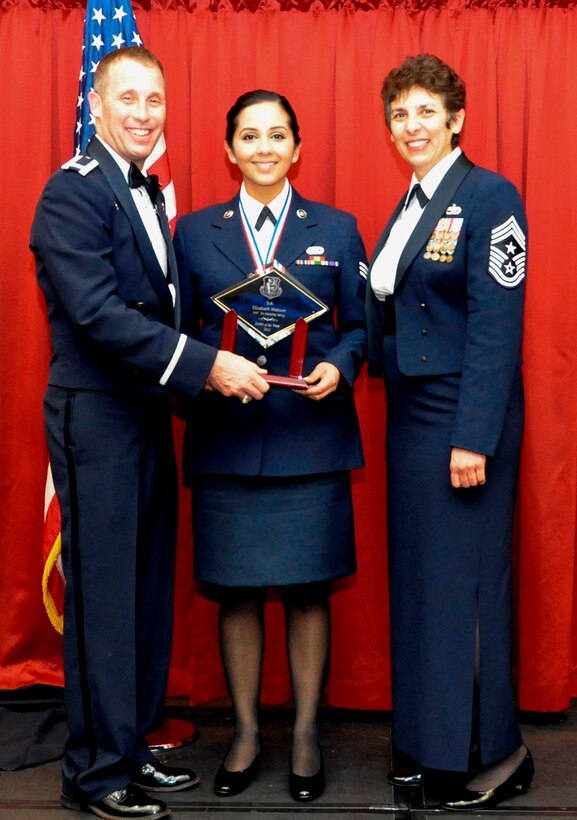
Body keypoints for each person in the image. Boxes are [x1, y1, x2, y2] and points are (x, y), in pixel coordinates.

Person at [30, 47, 269, 820]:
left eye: (155, 99)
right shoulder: (70, 194)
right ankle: (94, 774)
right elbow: (97, 315)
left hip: (142, 414)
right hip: (95, 415)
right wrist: (207, 367)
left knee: (142, 592)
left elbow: (160, 311)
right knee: (104, 598)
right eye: (127, 98)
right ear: (96, 106)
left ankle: (128, 753)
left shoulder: (145, 190)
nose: (142, 112)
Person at [174, 89, 367, 803]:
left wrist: (340, 366)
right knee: (237, 593)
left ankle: (308, 734)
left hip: (309, 438)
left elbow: (361, 327)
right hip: (227, 439)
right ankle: (249, 732)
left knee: (310, 591)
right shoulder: (193, 233)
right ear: (229, 151)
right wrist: (210, 369)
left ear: (296, 147)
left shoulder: (338, 229)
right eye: (248, 136)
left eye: (276, 135)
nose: (262, 147)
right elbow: (175, 330)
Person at [365, 54, 534, 810]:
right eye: (399, 114)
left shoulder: (491, 196)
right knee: (424, 590)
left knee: (466, 591)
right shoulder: (406, 203)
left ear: (455, 119)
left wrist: (474, 437)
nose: (411, 126)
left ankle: (495, 754)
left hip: (462, 423)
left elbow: (497, 332)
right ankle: (432, 744)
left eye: (425, 111)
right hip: (409, 424)